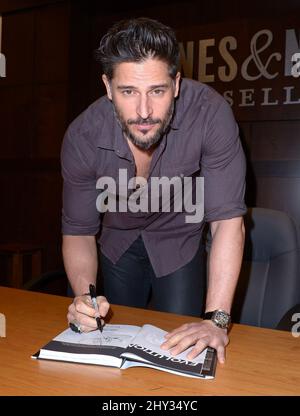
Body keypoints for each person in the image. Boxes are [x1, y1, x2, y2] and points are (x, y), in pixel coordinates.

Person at [62, 17, 246, 364]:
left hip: (180, 239)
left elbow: (227, 222)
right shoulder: (82, 137)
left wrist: (217, 320)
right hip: (117, 243)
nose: (144, 112)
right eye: (128, 91)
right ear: (107, 86)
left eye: (157, 91)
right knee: (112, 347)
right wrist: (84, 299)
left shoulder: (211, 114)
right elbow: (79, 231)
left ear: (176, 83)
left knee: (184, 348)